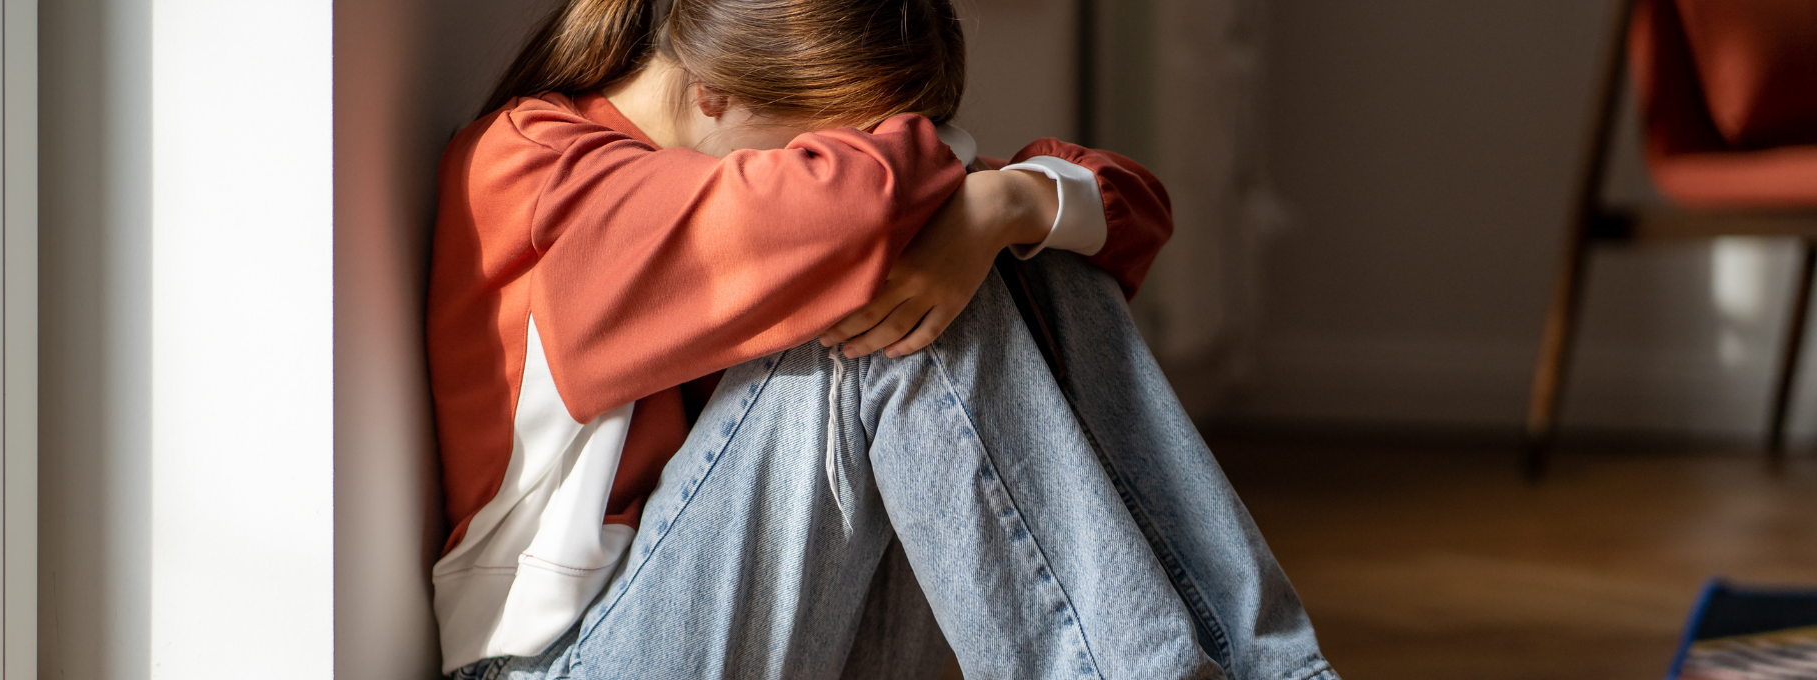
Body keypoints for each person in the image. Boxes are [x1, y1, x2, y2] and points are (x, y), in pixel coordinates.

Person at [426, 0, 1338, 677]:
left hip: (766, 625)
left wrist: (1007, 203)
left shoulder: (763, 190)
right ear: (712, 92)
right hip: (571, 660)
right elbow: (859, 203)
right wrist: (969, 191)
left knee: (1018, 250)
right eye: (836, 140)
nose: (866, 155)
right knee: (892, 301)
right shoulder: (543, 170)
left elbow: (1134, 208)